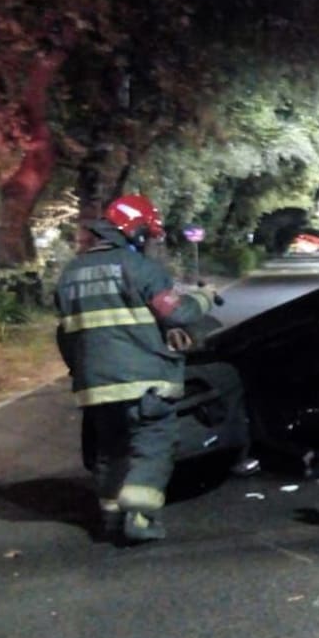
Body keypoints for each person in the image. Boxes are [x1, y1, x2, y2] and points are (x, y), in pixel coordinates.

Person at [54, 194, 214, 543]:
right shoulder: (139, 268)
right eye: (148, 234)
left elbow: (65, 335)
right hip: (145, 381)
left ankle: (111, 518)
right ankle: (138, 516)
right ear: (136, 231)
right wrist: (205, 296)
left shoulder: (69, 275)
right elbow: (177, 313)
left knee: (111, 450)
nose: (149, 241)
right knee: (153, 444)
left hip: (95, 386)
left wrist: (81, 372)